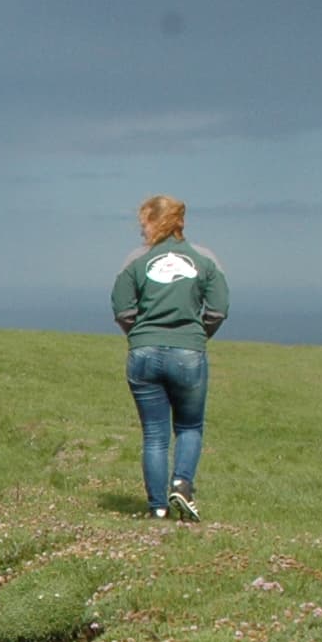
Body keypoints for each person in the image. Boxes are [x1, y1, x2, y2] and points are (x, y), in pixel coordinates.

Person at [110, 197, 229, 520]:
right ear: (180, 222)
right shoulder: (205, 259)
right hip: (189, 353)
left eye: (143, 225)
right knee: (189, 426)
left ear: (153, 223)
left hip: (143, 353)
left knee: (154, 434)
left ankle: (157, 508)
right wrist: (196, 335)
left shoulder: (135, 260)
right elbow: (218, 309)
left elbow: (121, 308)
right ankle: (182, 484)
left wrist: (141, 335)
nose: (140, 232)